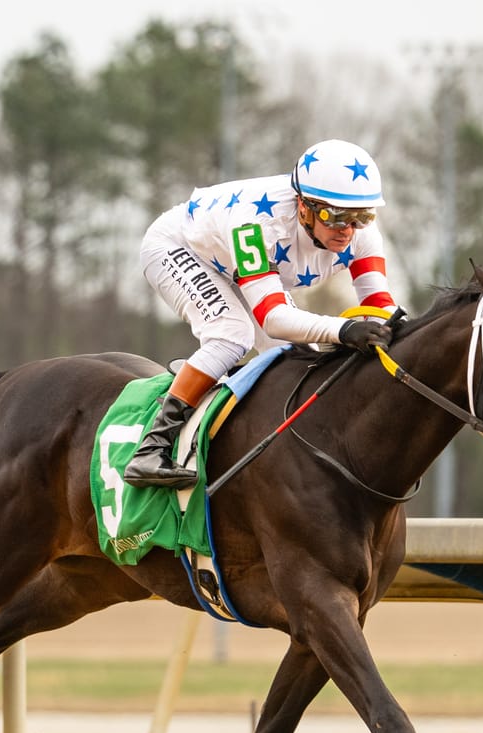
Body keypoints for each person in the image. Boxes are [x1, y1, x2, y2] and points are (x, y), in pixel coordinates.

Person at [123, 139, 399, 489]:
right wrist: (343, 331)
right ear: (304, 207)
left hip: (235, 264)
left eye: (362, 216)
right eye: (336, 216)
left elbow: (379, 304)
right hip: (180, 247)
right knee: (230, 334)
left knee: (297, 356)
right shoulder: (257, 223)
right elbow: (274, 318)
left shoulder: (361, 233)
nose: (348, 229)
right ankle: (152, 448)